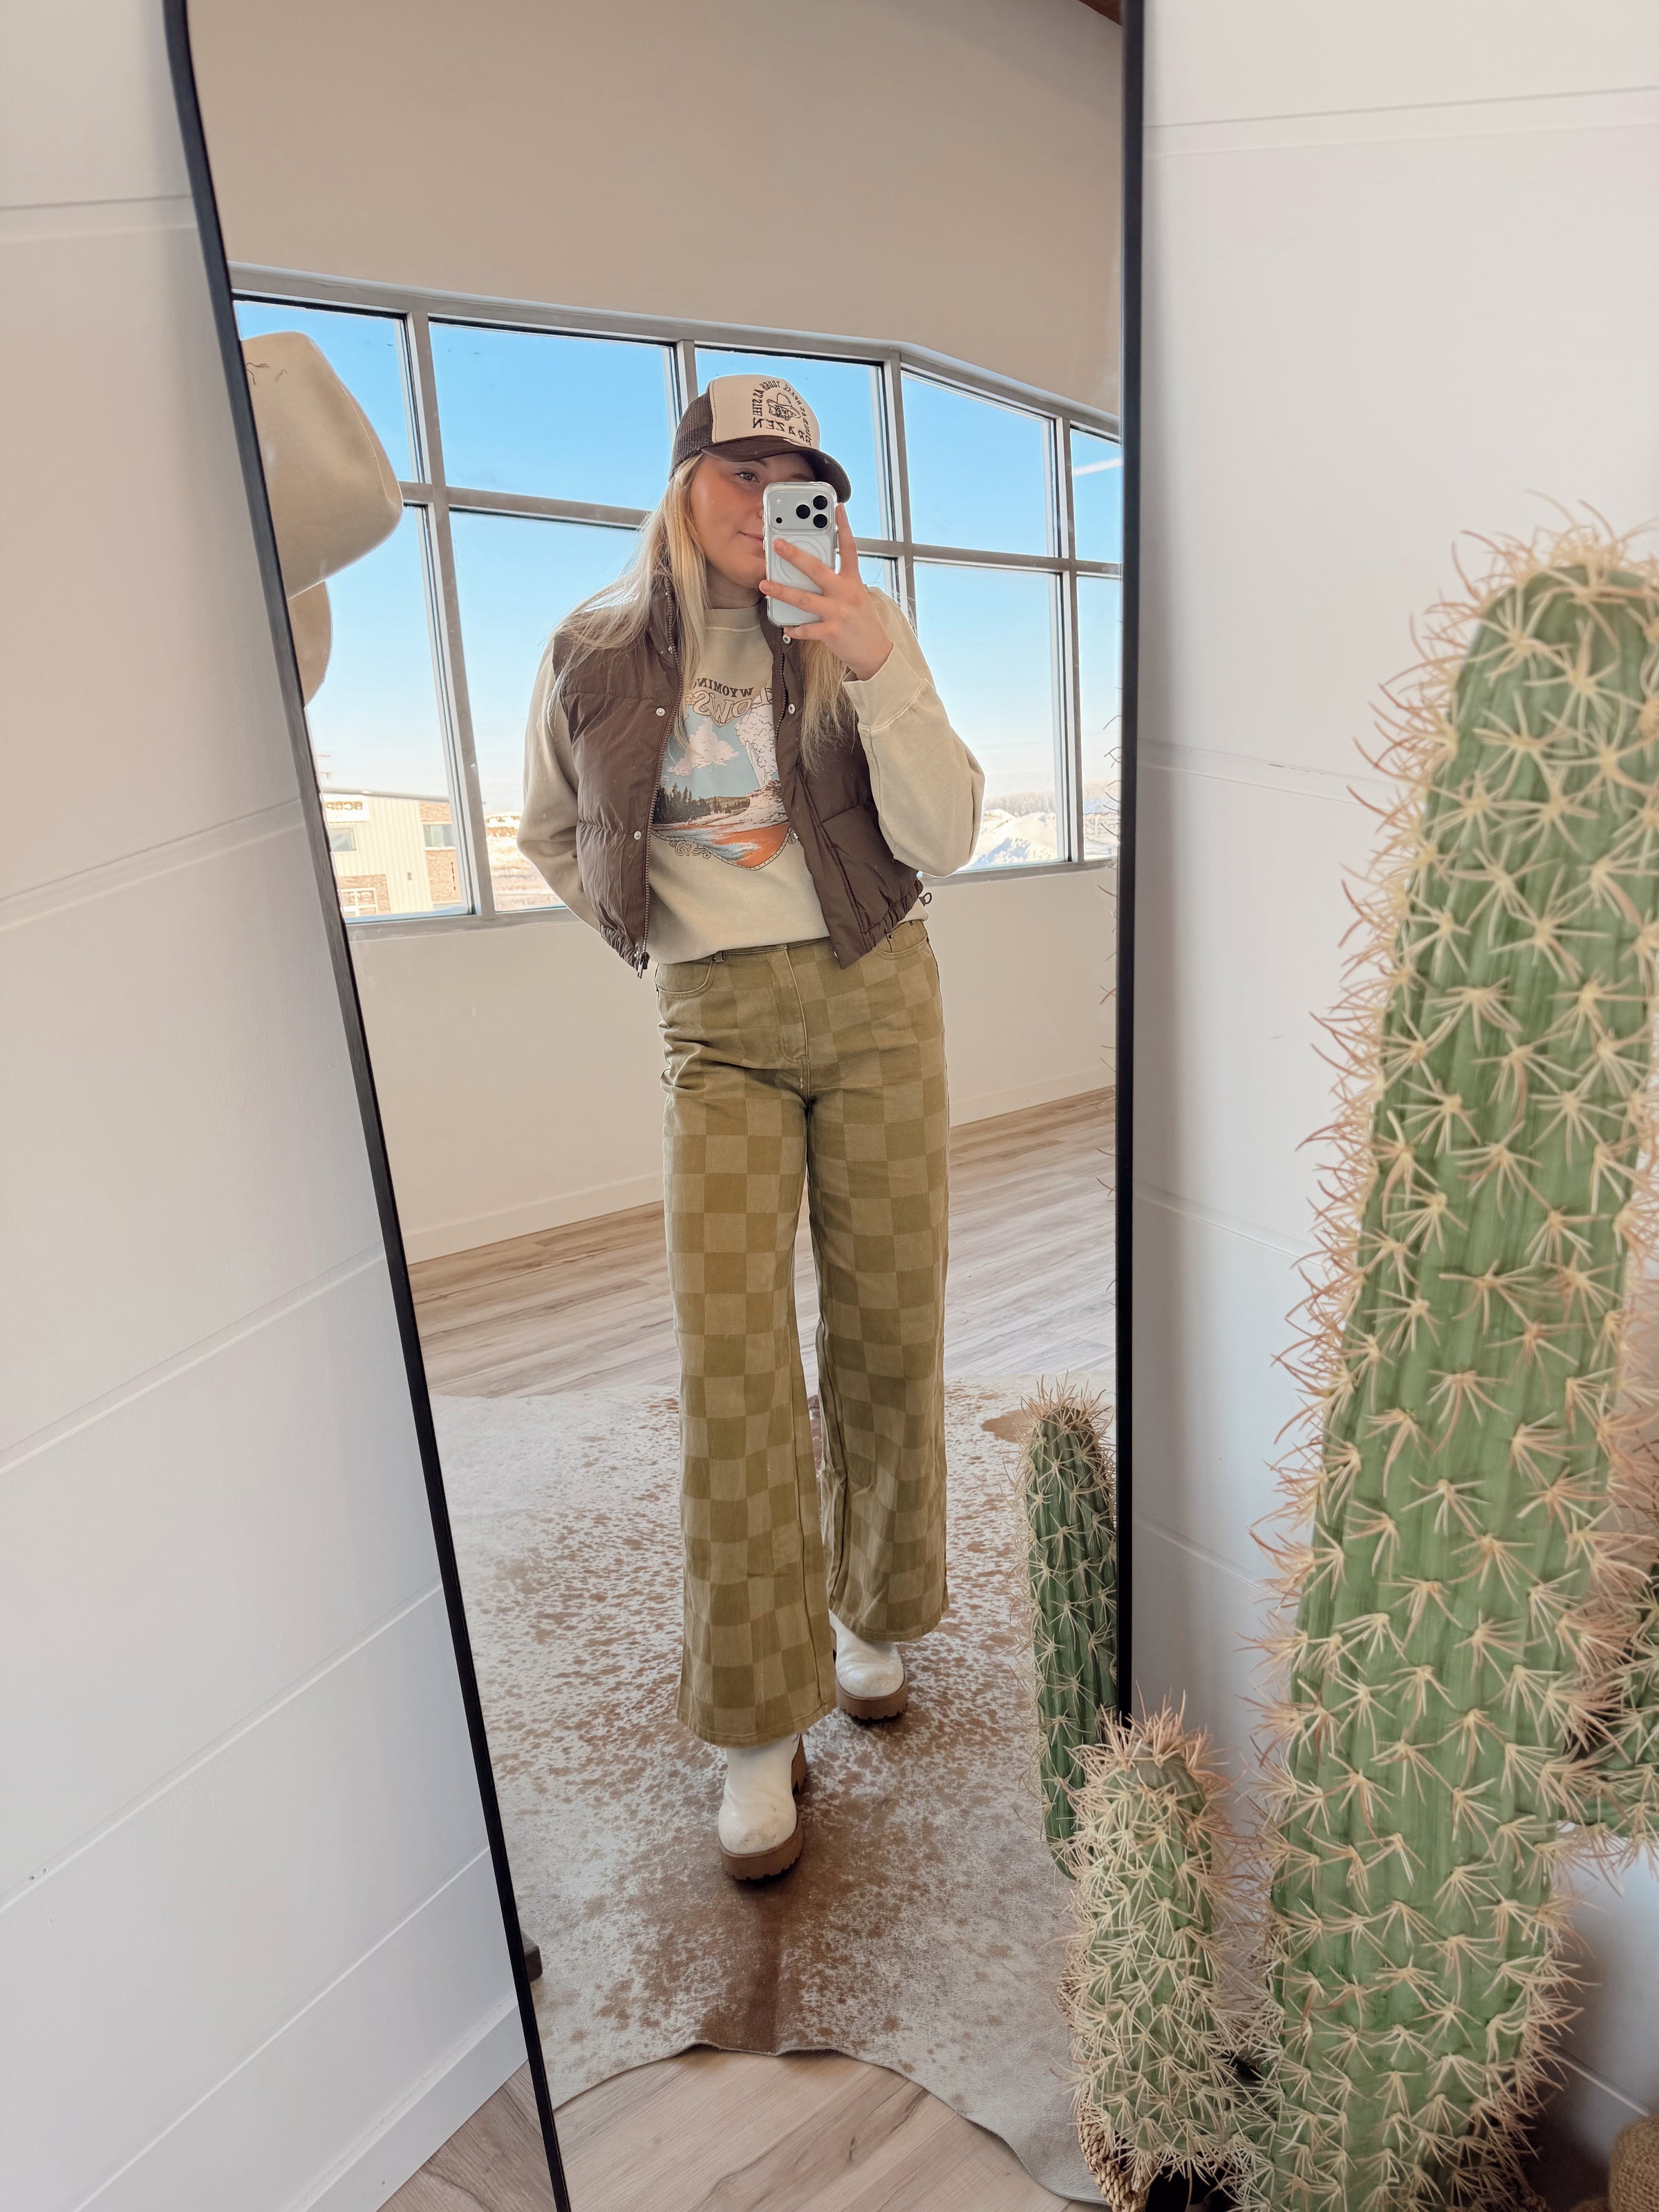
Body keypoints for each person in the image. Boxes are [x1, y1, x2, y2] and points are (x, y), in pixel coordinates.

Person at [519, 374, 984, 1880]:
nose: (765, 495)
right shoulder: (593, 651)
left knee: (890, 1326)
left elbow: (948, 832)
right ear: (684, 484)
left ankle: (871, 1614)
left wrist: (875, 653)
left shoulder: (854, 628)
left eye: (796, 475)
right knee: (731, 1366)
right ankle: (755, 1724)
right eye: (739, 468)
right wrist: (647, 930)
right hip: (714, 1026)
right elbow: (551, 828)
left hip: (877, 997)